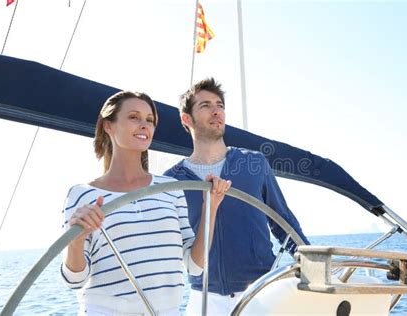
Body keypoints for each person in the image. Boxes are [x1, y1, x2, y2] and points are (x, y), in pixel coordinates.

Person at [60, 91, 231, 315]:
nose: (144, 125)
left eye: (149, 120)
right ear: (108, 126)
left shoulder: (171, 189)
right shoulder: (81, 195)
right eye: (134, 117)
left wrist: (211, 206)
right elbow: (74, 279)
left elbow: (195, 265)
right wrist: (76, 239)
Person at [164, 78, 310, 315]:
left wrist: (312, 264)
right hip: (202, 299)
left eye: (219, 105)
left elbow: (284, 223)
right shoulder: (171, 180)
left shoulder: (254, 163)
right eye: (205, 105)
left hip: (260, 293)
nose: (216, 111)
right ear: (186, 119)